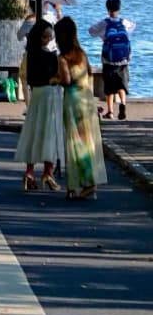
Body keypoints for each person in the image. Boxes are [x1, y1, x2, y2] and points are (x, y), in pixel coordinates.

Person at [54, 15, 106, 201]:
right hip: (87, 101)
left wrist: (55, 79)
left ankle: (83, 183)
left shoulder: (63, 58)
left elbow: (66, 80)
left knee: (75, 143)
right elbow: (88, 74)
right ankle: (86, 182)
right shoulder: (81, 54)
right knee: (88, 142)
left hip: (73, 102)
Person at [14, 19, 64, 191]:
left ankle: (29, 172)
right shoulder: (51, 56)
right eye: (46, 37)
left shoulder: (29, 55)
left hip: (36, 95)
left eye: (50, 37)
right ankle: (48, 172)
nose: (48, 40)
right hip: (50, 95)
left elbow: (26, 77)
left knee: (34, 132)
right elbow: (59, 77)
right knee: (50, 133)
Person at [89, 0, 135, 121]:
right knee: (121, 84)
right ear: (119, 8)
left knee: (109, 87)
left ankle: (110, 112)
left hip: (108, 60)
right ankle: (123, 104)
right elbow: (132, 27)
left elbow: (91, 31)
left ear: (107, 9)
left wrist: (102, 36)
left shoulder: (104, 23)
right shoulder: (124, 22)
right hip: (123, 59)